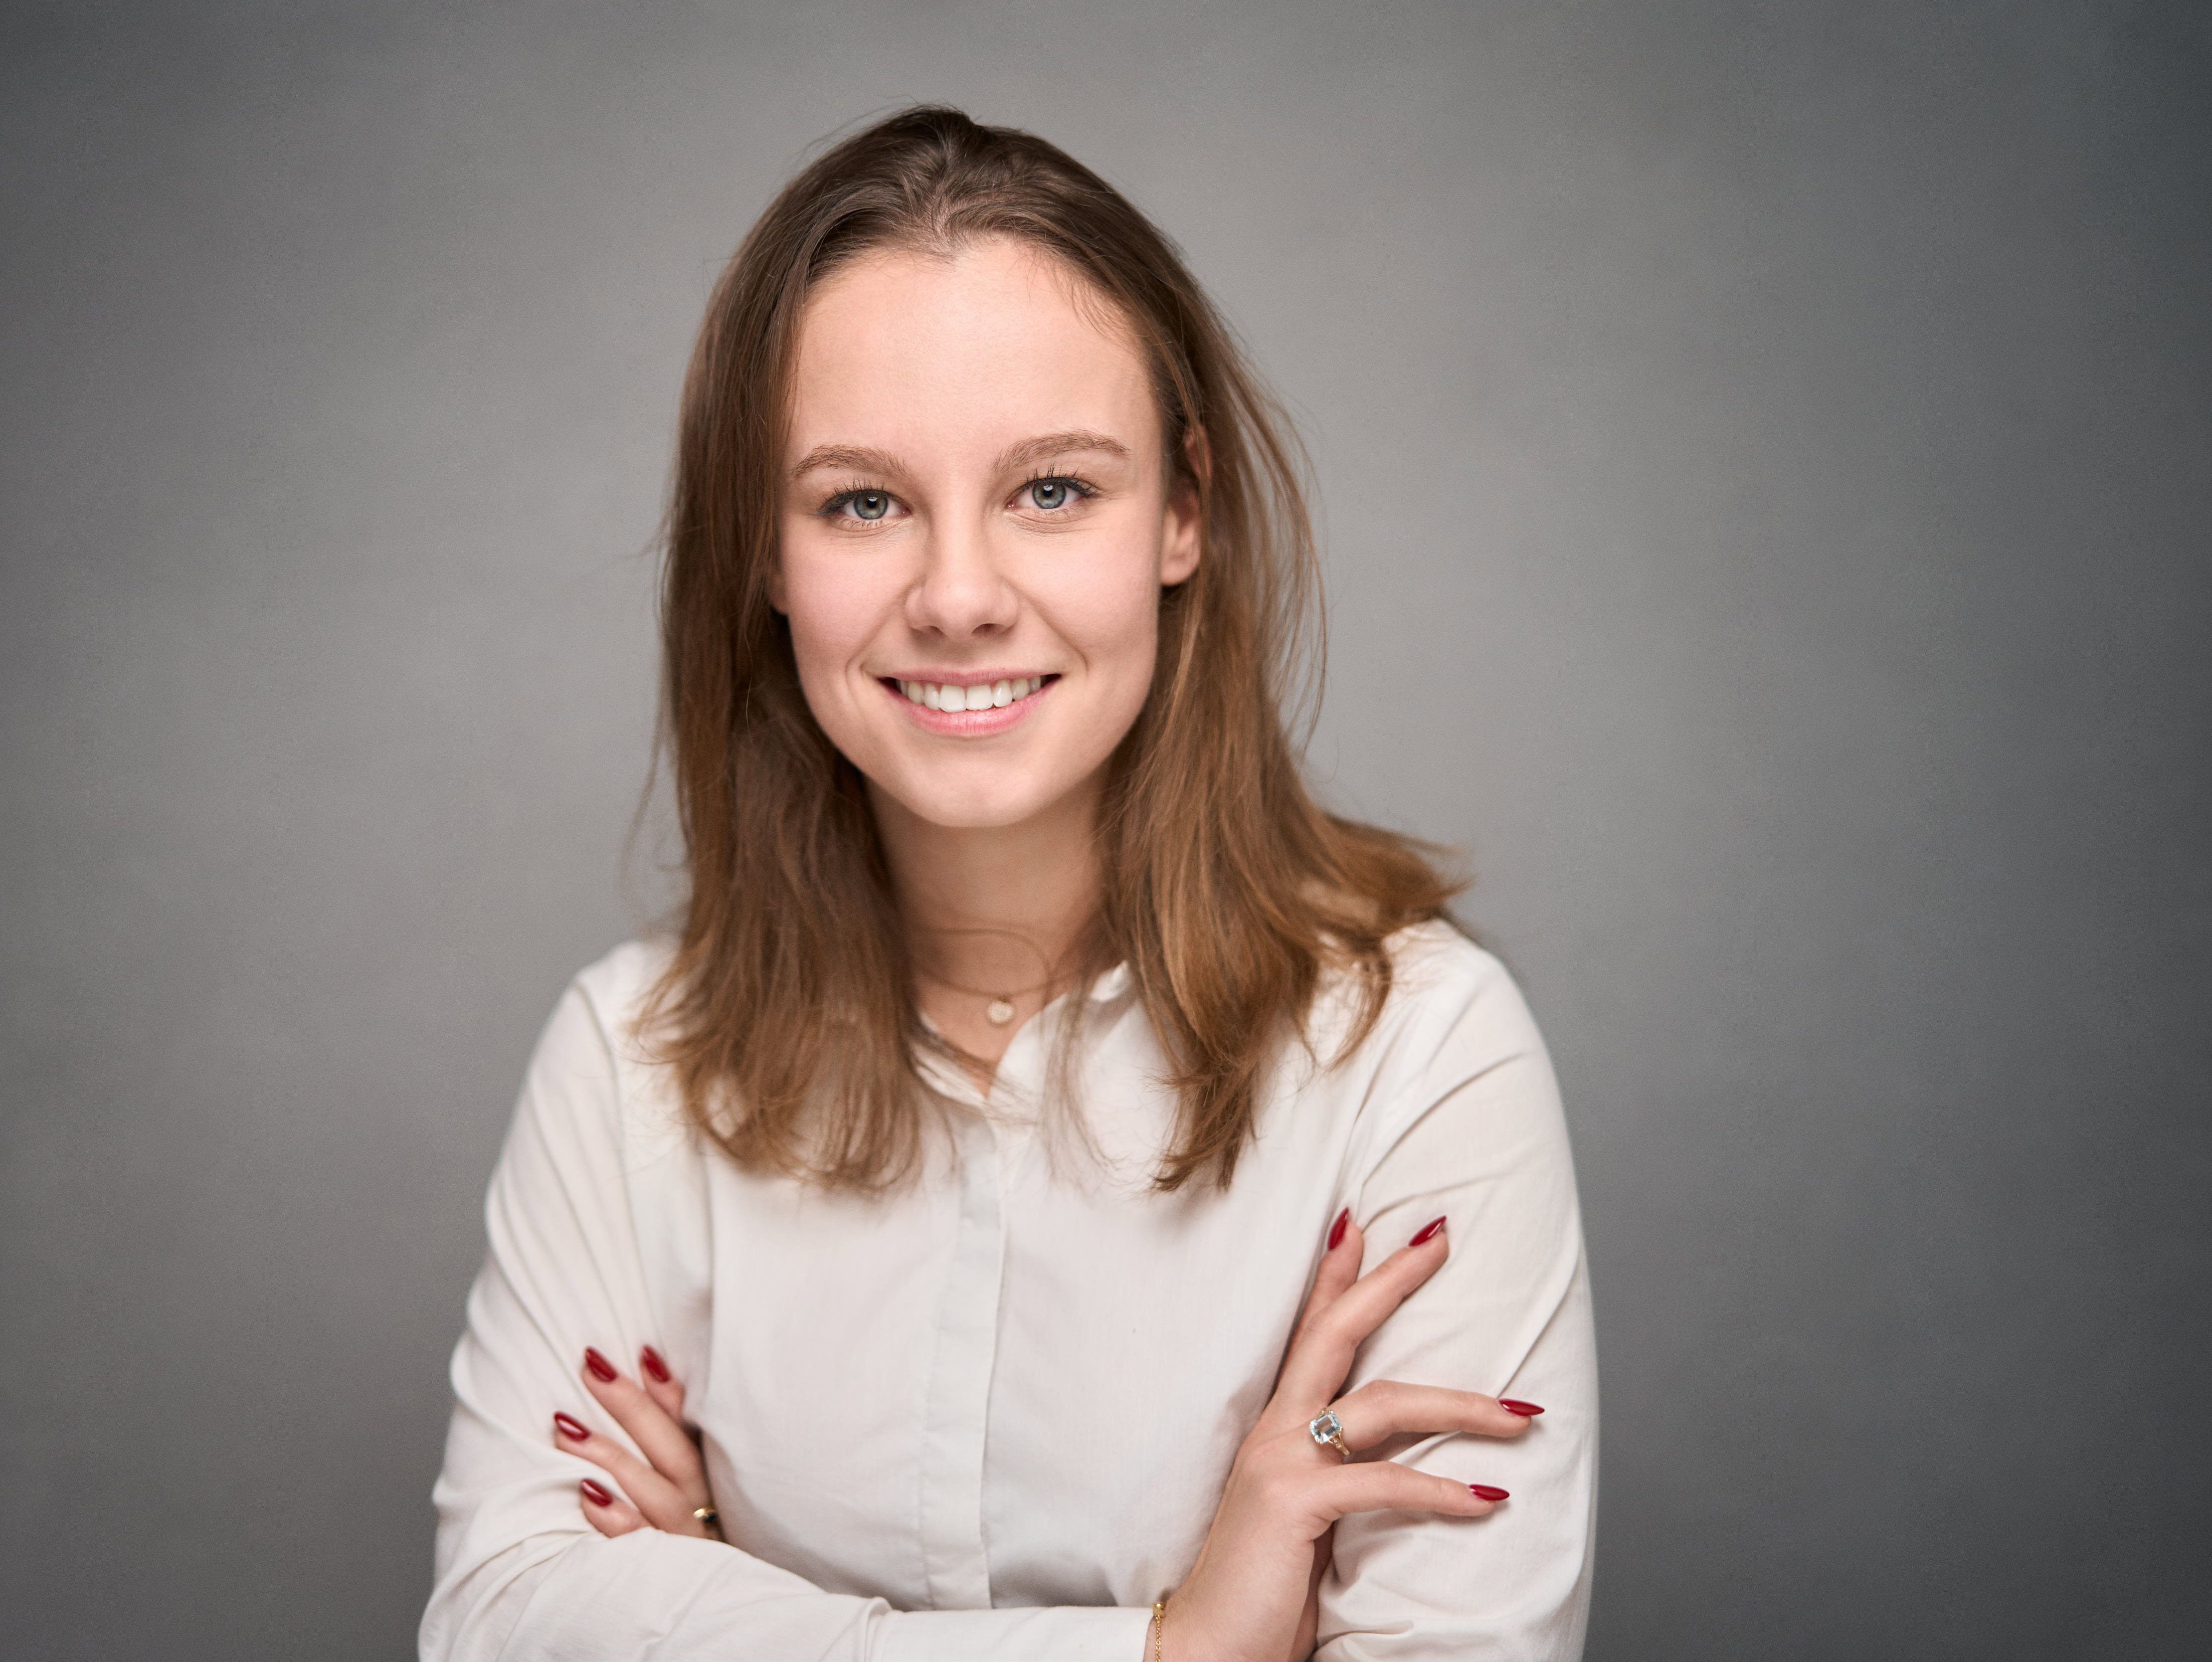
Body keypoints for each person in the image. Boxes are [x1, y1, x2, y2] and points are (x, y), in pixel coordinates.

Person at [421, 106, 1596, 1662]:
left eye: (1052, 489)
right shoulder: (626, 1058)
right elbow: (498, 1628)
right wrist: (1175, 1647)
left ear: (1184, 513)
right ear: (764, 554)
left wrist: (713, 1605)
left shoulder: (1419, 1053)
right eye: (862, 501)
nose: (960, 596)